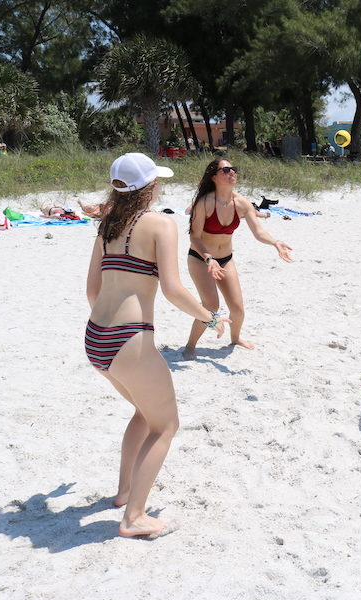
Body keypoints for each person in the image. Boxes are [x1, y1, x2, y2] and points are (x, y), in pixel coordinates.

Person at [85, 152, 231, 537]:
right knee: (166, 425)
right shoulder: (160, 225)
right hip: (129, 339)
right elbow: (173, 289)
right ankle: (133, 517)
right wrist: (210, 317)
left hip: (96, 337)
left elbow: (92, 290)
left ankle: (123, 492)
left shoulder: (107, 226)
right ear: (150, 186)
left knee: (143, 412)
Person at [184, 158, 293, 360]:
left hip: (225, 259)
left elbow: (259, 232)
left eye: (233, 169)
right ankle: (190, 346)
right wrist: (209, 258)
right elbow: (195, 237)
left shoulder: (242, 203)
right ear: (214, 177)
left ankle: (235, 339)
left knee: (238, 309)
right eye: (226, 170)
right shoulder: (205, 202)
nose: (232, 172)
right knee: (211, 305)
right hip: (201, 259)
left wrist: (275, 243)